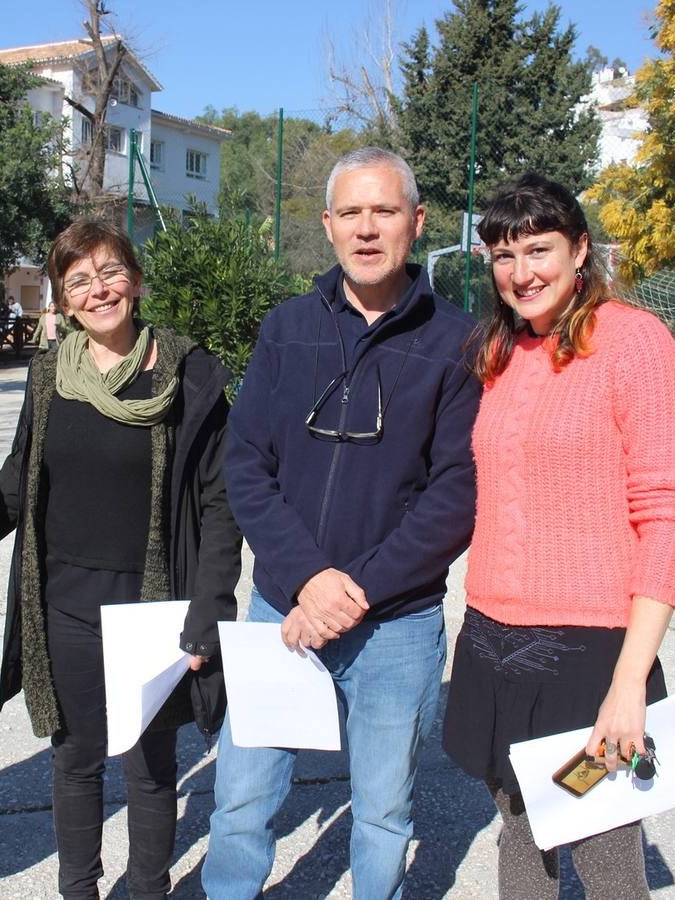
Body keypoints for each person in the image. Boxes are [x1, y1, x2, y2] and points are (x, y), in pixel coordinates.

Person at [203, 147, 481, 900]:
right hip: (281, 609)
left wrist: (354, 589)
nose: (367, 229)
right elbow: (247, 464)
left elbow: (456, 493)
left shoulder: (458, 343)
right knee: (240, 802)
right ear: (327, 225)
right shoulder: (286, 328)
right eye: (351, 213)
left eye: (384, 211)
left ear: (417, 224)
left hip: (395, 624)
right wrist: (309, 579)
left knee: (385, 814)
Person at [441, 173, 675, 898]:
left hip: (587, 654)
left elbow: (670, 515)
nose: (521, 272)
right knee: (520, 831)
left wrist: (628, 685)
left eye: (539, 249)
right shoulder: (501, 351)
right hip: (496, 641)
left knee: (604, 852)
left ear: (581, 248)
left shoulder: (633, 343)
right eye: (502, 255)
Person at [0, 218, 241, 900]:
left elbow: (219, 503)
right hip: (65, 606)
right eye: (80, 281)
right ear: (62, 301)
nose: (99, 290)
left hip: (152, 610)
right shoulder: (46, 379)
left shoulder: (191, 375)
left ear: (137, 281)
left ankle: (148, 887)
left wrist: (210, 610)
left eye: (111, 272)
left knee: (149, 767)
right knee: (77, 760)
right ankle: (79, 890)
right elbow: (14, 484)